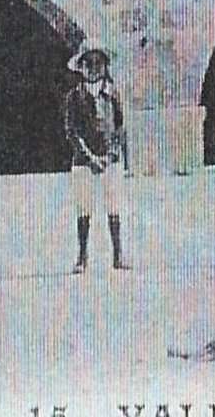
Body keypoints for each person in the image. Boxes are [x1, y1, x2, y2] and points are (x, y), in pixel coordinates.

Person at [63, 40, 130, 272]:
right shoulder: (74, 97)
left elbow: (120, 127)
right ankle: (82, 256)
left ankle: (118, 254)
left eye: (98, 62)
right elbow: (72, 131)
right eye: (89, 63)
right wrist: (90, 157)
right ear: (81, 67)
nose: (94, 67)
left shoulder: (112, 94)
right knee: (84, 208)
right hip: (84, 162)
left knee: (113, 206)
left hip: (110, 160)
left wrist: (112, 154)